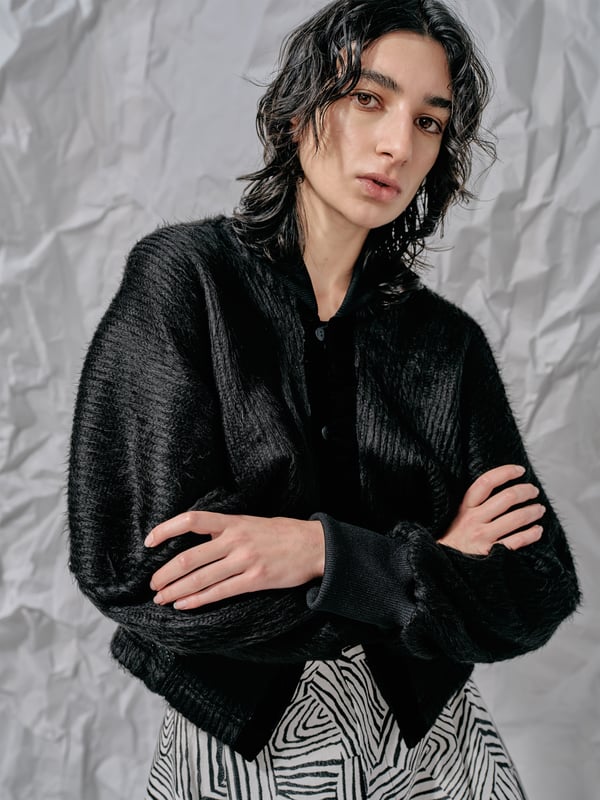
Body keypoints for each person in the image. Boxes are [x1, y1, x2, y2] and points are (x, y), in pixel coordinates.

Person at [68, 0, 581, 797]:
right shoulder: (187, 282)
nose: (398, 144)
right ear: (300, 107)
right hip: (241, 757)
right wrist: (433, 566)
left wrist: (320, 554)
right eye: (368, 98)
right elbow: (146, 574)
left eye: (429, 122)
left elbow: (537, 586)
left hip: (437, 751)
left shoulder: (447, 346)